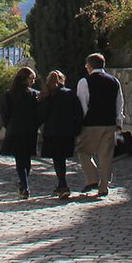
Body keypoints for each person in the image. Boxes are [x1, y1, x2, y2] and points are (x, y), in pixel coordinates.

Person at [75, 52, 125, 197]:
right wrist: (118, 121)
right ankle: (103, 187)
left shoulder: (85, 82)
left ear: (89, 66)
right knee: (106, 156)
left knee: (83, 152)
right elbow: (119, 103)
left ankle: (92, 178)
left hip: (91, 124)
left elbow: (83, 104)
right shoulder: (114, 81)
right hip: (109, 123)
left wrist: (81, 122)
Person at [37, 70, 84, 198]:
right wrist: (77, 129)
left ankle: (62, 184)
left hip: (52, 132)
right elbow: (79, 113)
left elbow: (41, 115)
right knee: (61, 158)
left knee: (58, 160)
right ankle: (61, 184)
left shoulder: (47, 95)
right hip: (67, 132)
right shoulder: (70, 94)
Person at [0, 66, 41, 199]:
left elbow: (5, 114)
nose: (33, 81)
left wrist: (9, 126)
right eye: (31, 79)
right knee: (25, 159)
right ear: (23, 79)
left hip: (16, 130)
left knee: (21, 159)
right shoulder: (32, 95)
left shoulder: (11, 94)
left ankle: (24, 184)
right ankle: (24, 184)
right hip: (27, 131)